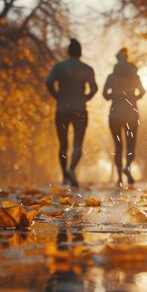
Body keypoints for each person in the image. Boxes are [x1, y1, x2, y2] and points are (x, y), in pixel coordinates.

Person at [45, 38, 98, 187]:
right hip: (79, 109)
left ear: (68, 51)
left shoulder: (59, 67)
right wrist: (85, 98)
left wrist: (57, 96)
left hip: (62, 109)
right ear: (80, 52)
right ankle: (71, 169)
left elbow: (48, 82)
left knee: (63, 145)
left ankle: (65, 177)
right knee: (77, 145)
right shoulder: (87, 69)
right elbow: (94, 88)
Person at [102, 48, 145, 186]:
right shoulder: (134, 76)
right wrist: (133, 98)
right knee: (131, 146)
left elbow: (104, 94)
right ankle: (127, 167)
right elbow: (142, 92)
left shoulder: (111, 77)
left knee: (118, 147)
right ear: (126, 58)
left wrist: (113, 96)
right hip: (131, 115)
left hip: (115, 115)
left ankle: (119, 178)